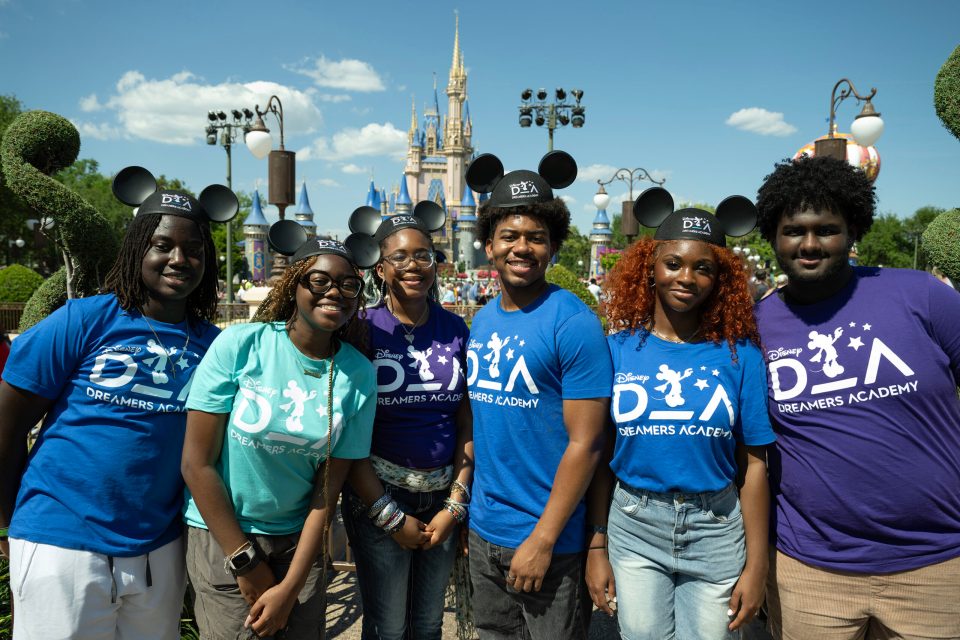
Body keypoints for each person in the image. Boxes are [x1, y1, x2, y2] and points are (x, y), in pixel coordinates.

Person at [0, 166, 236, 640]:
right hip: (61, 541)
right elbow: (6, 425)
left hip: (159, 549)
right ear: (136, 249)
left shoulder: (215, 346)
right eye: (163, 245)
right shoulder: (83, 320)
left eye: (194, 250)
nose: (179, 259)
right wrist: (9, 523)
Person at [754, 155, 960, 640]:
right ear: (773, 236)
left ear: (852, 230)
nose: (809, 244)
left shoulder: (923, 296)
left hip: (938, 564)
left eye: (826, 229)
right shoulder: (754, 328)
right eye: (793, 230)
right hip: (810, 571)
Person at [586, 189, 775, 640]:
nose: (686, 277)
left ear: (719, 280)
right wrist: (598, 545)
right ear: (649, 270)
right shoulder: (615, 351)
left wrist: (757, 563)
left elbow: (754, 465)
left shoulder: (740, 357)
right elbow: (599, 453)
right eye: (674, 264)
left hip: (717, 528)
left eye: (702, 268)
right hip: (633, 523)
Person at [180, 229, 377, 640]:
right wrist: (244, 561)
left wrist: (290, 586)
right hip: (224, 536)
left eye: (347, 284)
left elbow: (327, 491)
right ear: (294, 284)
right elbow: (196, 463)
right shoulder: (240, 345)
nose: (334, 292)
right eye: (320, 281)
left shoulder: (357, 374)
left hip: (298, 547)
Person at [463, 151, 612, 639]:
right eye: (509, 236)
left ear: (553, 248)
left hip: (550, 542)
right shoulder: (482, 321)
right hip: (486, 532)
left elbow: (587, 443)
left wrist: (544, 539)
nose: (521, 247)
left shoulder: (573, 323)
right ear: (489, 245)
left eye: (535, 238)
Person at [341, 205, 473, 640]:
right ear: (380, 269)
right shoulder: (360, 329)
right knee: (388, 627)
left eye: (423, 255)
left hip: (442, 500)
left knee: (429, 624)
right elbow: (347, 430)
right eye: (399, 257)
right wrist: (389, 516)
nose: (413, 265)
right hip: (378, 494)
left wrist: (456, 503)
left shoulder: (456, 329)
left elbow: (465, 418)